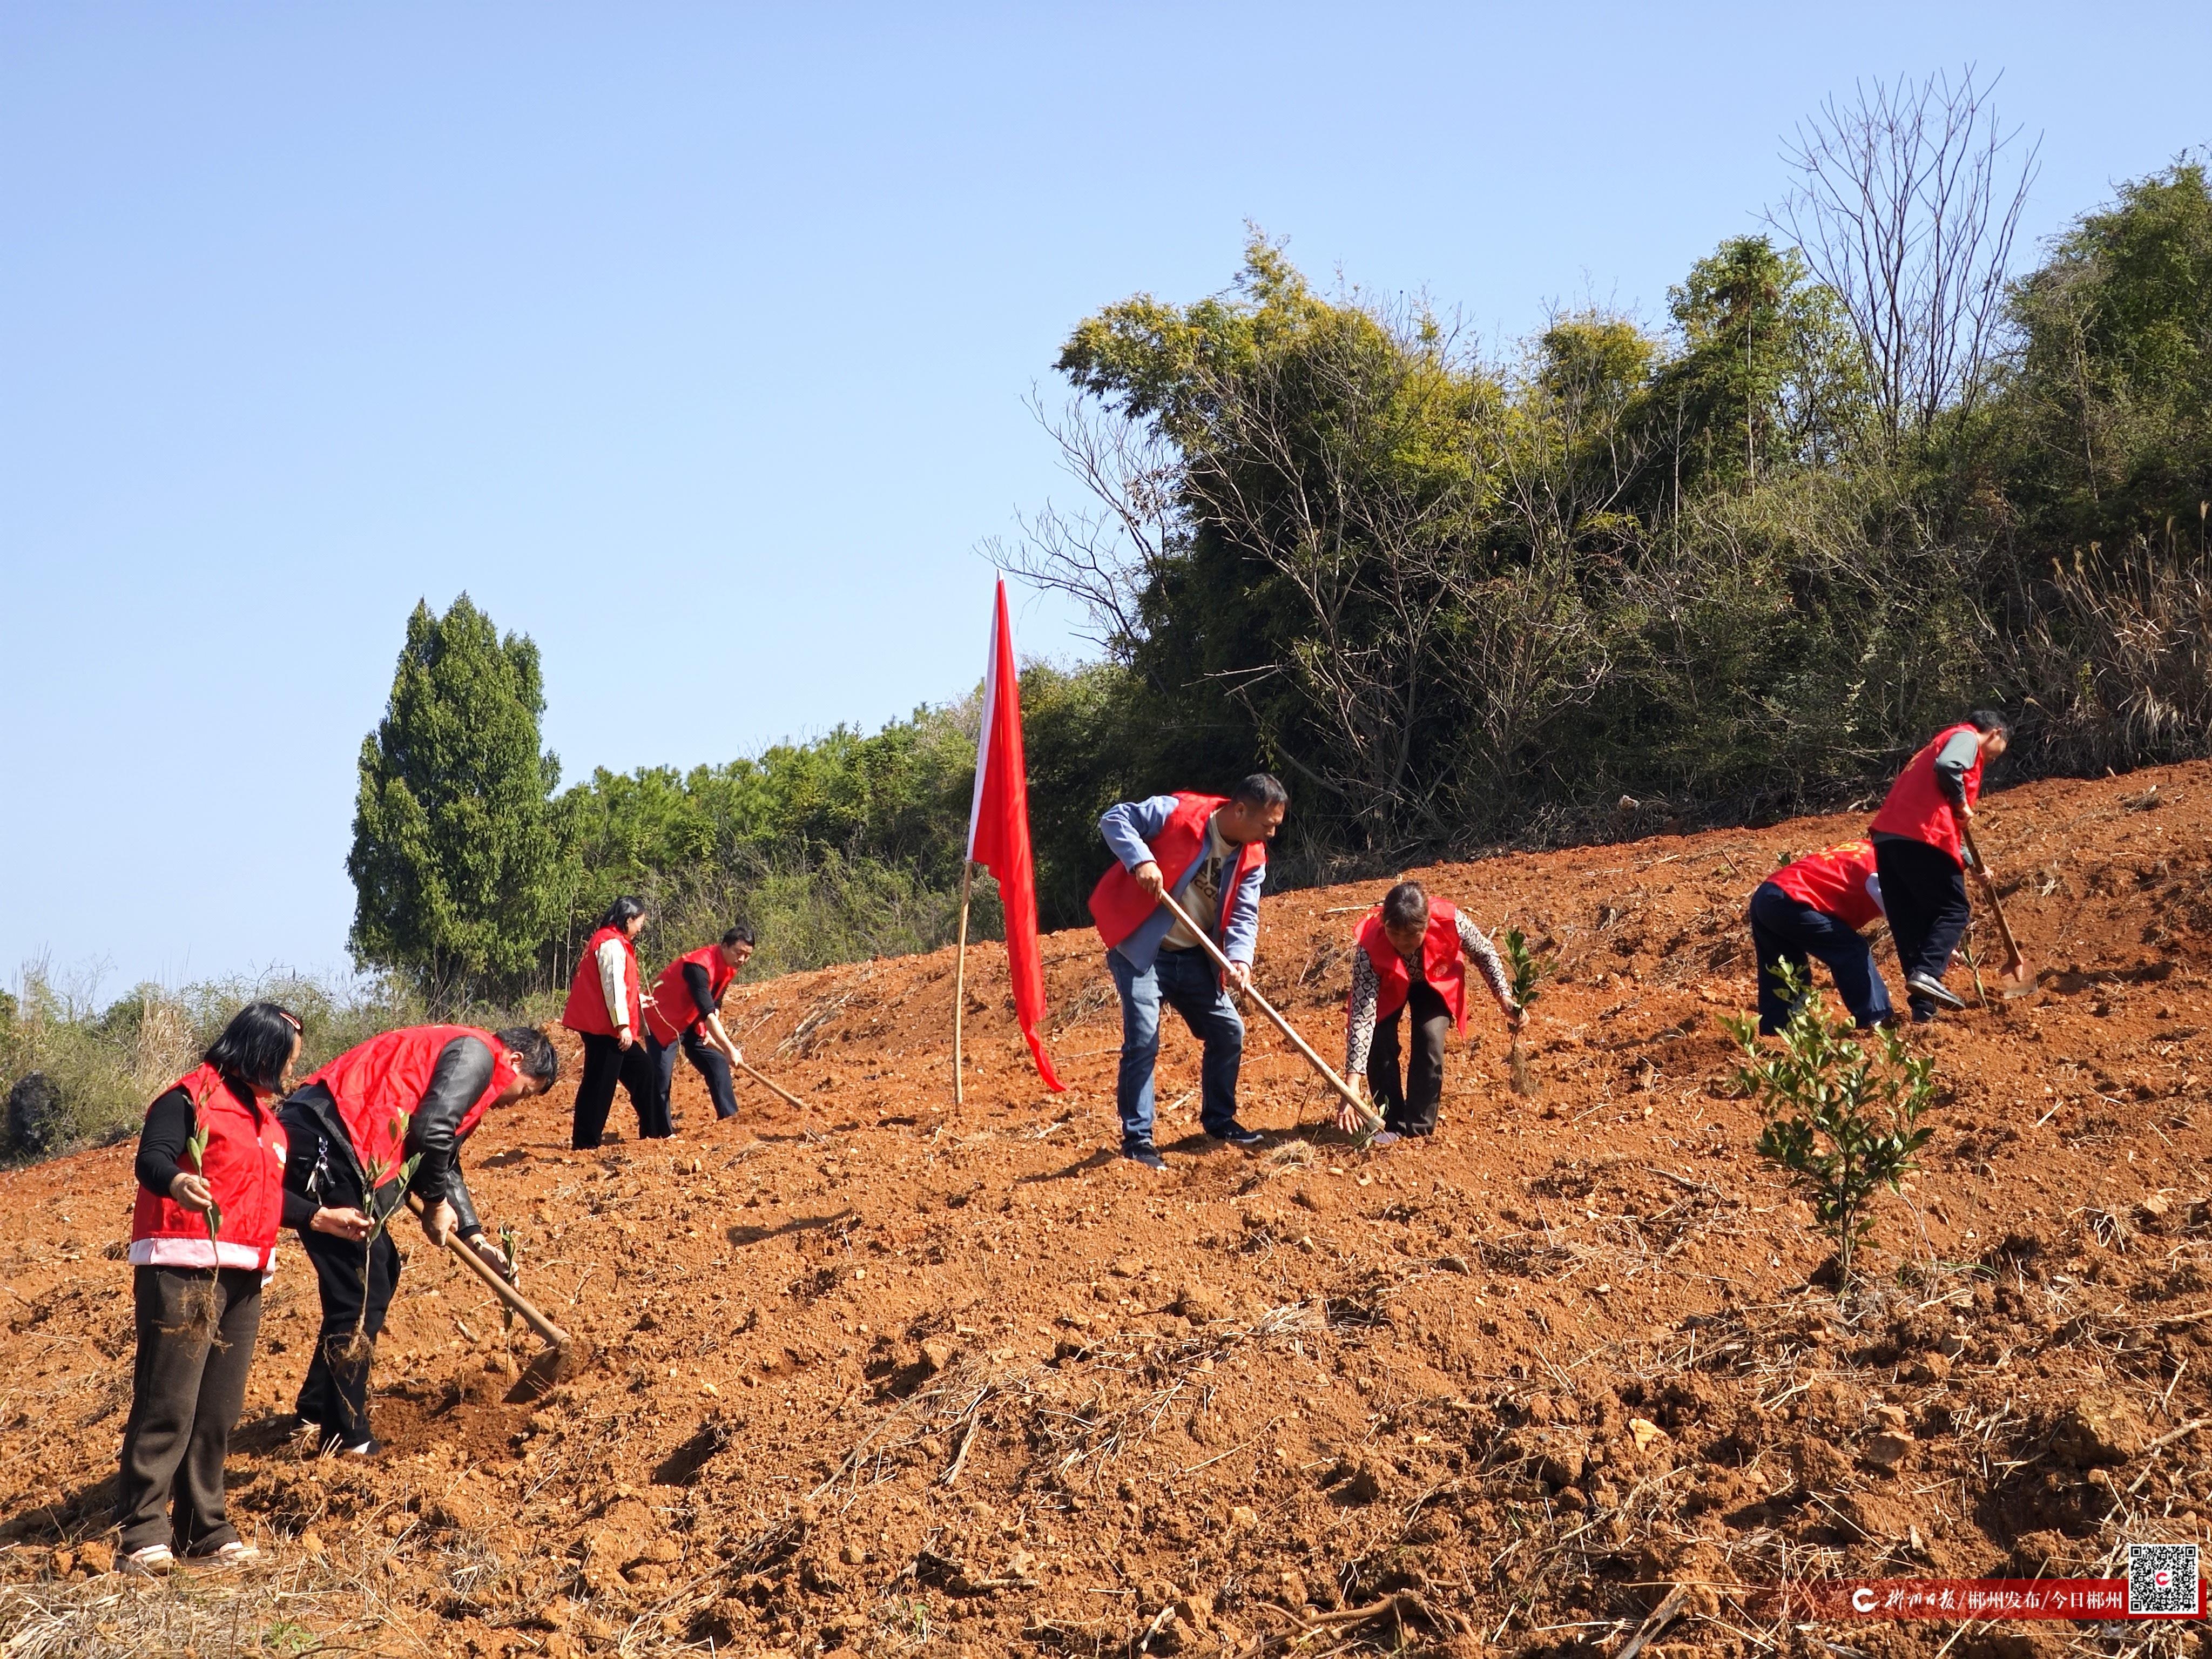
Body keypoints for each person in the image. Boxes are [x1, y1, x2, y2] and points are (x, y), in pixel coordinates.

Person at [117, 1002, 370, 1574]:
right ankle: (141, 1532)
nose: (290, 1071)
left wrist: (320, 1217)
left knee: (218, 1409)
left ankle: (203, 1529)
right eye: (287, 1059)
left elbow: (263, 1197)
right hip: (184, 1265)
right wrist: (177, 1181)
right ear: (260, 1051)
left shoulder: (267, 1123)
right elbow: (152, 1158)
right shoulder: (189, 1098)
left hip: (245, 1273)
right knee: (168, 1401)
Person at [279, 1023, 558, 1456]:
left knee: (377, 1271)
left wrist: (475, 1237)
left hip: (331, 1136)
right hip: (328, 1141)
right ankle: (345, 1434)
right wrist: (434, 1202)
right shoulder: (478, 1056)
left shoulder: (466, 1057)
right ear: (515, 1060)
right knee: (362, 1283)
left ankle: (317, 1409)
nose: (512, 1104)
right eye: (524, 1091)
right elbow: (430, 1132)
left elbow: (443, 1156)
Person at [1090, 774, 1288, 1170]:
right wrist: (1141, 860)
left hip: (1194, 956)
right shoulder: (1179, 812)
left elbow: (1245, 914)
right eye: (1268, 824)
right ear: (1240, 810)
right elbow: (1114, 819)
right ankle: (1138, 1140)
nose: (1271, 833)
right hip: (1143, 950)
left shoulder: (1253, 858)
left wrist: (1240, 960)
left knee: (1228, 1030)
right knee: (1143, 1040)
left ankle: (1220, 1121)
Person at [1340, 881, 1522, 1145]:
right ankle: (1390, 1123)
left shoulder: (1452, 921)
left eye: (1411, 936)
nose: (1402, 943)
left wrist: (1503, 995)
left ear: (1426, 925)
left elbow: (1484, 953)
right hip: (1388, 985)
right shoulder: (1369, 948)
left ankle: (1419, 1129)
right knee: (1379, 1043)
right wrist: (1352, 1083)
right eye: (1394, 934)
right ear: (1384, 924)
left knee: (1430, 1037)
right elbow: (1362, 1014)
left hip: (1436, 980)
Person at [1869, 711, 2011, 1021]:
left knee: (1910, 924)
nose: (1992, 759)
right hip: (1923, 838)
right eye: (1997, 752)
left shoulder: (1929, 751)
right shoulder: (1966, 737)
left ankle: (1923, 1012)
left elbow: (1932, 809)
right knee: (1954, 911)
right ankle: (1928, 974)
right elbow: (1949, 766)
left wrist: (1970, 863)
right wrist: (1962, 802)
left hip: (1889, 841)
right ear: (1996, 733)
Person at [1748, 839, 1892, 1035]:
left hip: (1766, 896)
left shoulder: (1865, 848)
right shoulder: (1884, 869)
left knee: (1786, 970)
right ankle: (1876, 1019)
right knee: (1852, 950)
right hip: (1794, 899)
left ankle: (1778, 1031)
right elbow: (1904, 925)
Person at [565, 896, 662, 1148]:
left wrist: (637, 999)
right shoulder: (611, 944)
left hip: (606, 1025)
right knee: (599, 1085)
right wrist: (623, 1026)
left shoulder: (610, 941)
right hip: (605, 1028)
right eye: (639, 923)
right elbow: (613, 987)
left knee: (643, 1072)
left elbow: (615, 986)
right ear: (628, 919)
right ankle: (585, 1143)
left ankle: (656, 1133)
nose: (640, 928)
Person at [645, 925, 755, 1125]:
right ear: (724, 946)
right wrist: (729, 1049)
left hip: (691, 1020)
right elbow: (707, 1012)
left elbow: (716, 1002)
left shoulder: (729, 967)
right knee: (661, 1076)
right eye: (738, 953)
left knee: (717, 1063)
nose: (742, 960)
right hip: (663, 1019)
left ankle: (729, 1121)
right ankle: (659, 1131)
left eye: (747, 956)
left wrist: (711, 1034)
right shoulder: (698, 966)